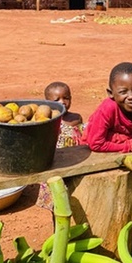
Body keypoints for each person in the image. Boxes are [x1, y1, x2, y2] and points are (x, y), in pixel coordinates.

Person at [82, 62, 132, 153]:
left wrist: (113, 137)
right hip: (87, 152)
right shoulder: (108, 108)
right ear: (110, 93)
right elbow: (96, 144)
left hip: (116, 149)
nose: (131, 96)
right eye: (123, 92)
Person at [36, 81, 84, 212]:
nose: (62, 102)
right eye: (56, 99)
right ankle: (58, 227)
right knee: (57, 202)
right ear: (47, 103)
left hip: (74, 163)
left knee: (75, 197)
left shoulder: (76, 118)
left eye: (66, 98)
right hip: (55, 166)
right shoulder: (47, 121)